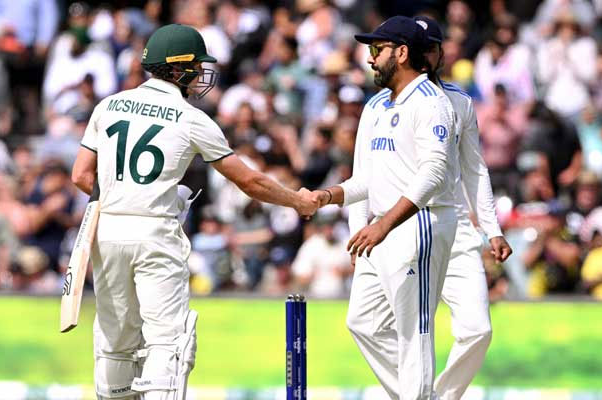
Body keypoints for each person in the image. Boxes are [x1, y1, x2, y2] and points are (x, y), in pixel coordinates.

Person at [71, 24, 318, 400]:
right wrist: (297, 200)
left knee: (115, 340)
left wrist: (126, 195)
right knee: (169, 342)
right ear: (178, 69)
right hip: (156, 235)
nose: (202, 74)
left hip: (108, 233)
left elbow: (80, 176)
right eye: (197, 65)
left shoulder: (108, 106)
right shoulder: (191, 119)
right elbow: (250, 182)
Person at [304, 16, 459, 400]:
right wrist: (328, 197)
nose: (370, 59)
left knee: (414, 331)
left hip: (419, 223)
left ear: (402, 53)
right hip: (380, 228)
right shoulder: (374, 105)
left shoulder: (432, 103)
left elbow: (434, 173)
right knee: (364, 323)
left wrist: (384, 225)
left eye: (377, 50)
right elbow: (364, 178)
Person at [413, 16, 513, 400]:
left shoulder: (460, 101)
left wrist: (493, 228)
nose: (428, 56)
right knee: (386, 331)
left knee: (477, 330)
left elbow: (475, 169)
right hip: (404, 229)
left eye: (433, 48)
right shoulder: (382, 105)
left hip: (455, 228)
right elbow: (368, 172)